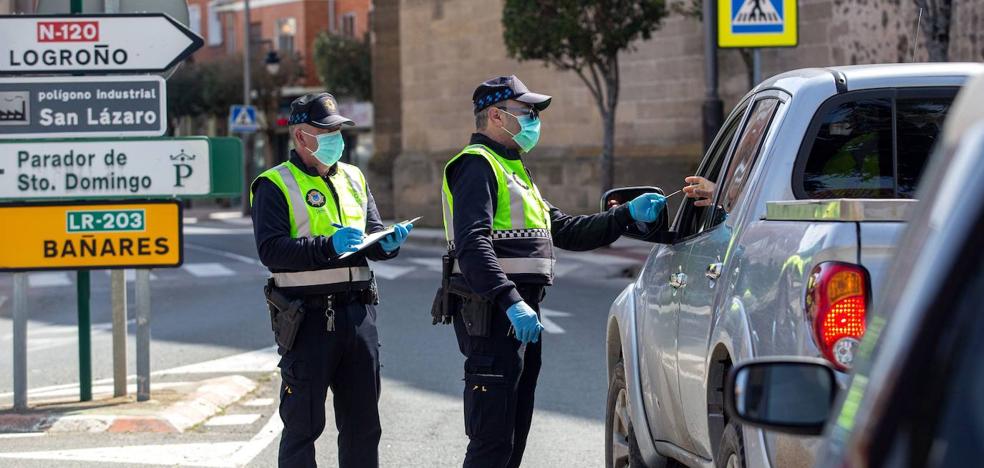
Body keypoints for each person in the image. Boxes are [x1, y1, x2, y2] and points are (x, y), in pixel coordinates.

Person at [437, 75, 668, 467]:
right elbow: (473, 245)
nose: (533, 121)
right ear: (496, 115)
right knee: (491, 442)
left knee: (511, 438)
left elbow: (563, 229)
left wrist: (624, 215)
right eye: (526, 112)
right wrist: (510, 301)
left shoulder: (514, 169)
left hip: (518, 314)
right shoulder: (476, 167)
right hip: (492, 314)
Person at [250, 92, 413, 468]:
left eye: (337, 129)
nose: (334, 138)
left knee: (363, 426)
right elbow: (271, 251)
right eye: (324, 131)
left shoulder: (354, 177)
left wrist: (387, 244)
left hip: (358, 316)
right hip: (306, 318)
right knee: (302, 427)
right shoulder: (274, 184)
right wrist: (328, 245)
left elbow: (371, 236)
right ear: (299, 137)